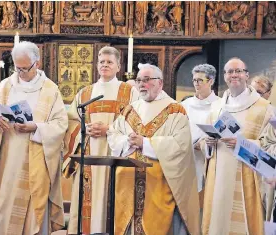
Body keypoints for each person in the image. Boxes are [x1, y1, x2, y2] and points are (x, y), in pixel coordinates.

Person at [0, 41, 68, 234]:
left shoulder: (50, 90)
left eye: (25, 68)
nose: (21, 73)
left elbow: (60, 125)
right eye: (17, 68)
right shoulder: (6, 85)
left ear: (37, 64)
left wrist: (35, 127)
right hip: (5, 158)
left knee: (33, 203)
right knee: (3, 201)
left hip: (34, 155)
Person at [107, 63, 200, 235]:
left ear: (160, 83)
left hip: (156, 185)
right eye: (139, 80)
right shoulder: (130, 109)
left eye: (147, 80)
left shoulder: (175, 110)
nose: (141, 84)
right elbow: (113, 134)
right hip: (127, 184)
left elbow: (181, 145)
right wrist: (127, 140)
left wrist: (146, 143)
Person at [63, 46, 139, 235]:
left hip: (116, 154)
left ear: (118, 67)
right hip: (90, 151)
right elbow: (71, 121)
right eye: (102, 62)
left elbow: (136, 122)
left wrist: (110, 130)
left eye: (110, 62)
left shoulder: (129, 92)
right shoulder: (85, 93)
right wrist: (84, 128)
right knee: (89, 198)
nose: (105, 65)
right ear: (97, 65)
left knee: (110, 196)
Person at [201, 57, 276, 235]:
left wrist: (243, 144)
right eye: (229, 71)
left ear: (246, 75)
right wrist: (208, 144)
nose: (234, 75)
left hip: (248, 175)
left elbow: (270, 145)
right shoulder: (216, 107)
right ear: (224, 76)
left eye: (238, 71)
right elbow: (206, 139)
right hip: (218, 175)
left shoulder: (264, 107)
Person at [181, 64, 220, 196]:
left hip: (211, 160)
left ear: (211, 81)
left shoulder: (221, 105)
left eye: (200, 80)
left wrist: (204, 144)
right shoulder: (184, 105)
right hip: (187, 159)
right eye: (194, 80)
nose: (196, 84)